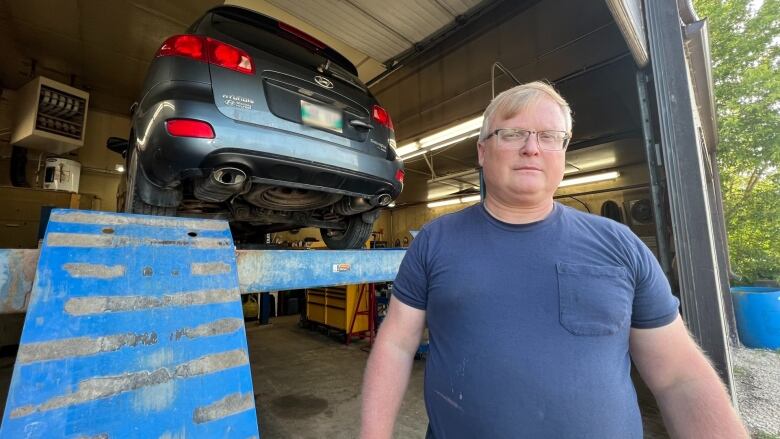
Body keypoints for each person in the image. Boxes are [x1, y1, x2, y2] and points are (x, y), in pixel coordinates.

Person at [360, 81, 747, 438]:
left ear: (562, 151)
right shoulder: (434, 240)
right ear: (482, 151)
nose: (532, 147)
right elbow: (396, 344)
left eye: (549, 137)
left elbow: (680, 377)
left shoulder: (620, 245)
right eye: (512, 133)